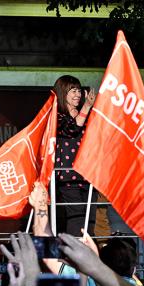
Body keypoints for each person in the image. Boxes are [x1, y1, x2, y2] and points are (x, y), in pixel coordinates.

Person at [52, 75, 97, 236]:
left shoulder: (88, 115)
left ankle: (88, 257)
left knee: (90, 220)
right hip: (68, 175)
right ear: (63, 93)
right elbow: (71, 129)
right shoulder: (57, 115)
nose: (78, 94)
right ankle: (73, 257)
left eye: (79, 90)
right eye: (73, 90)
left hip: (88, 174)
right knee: (76, 218)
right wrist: (86, 107)